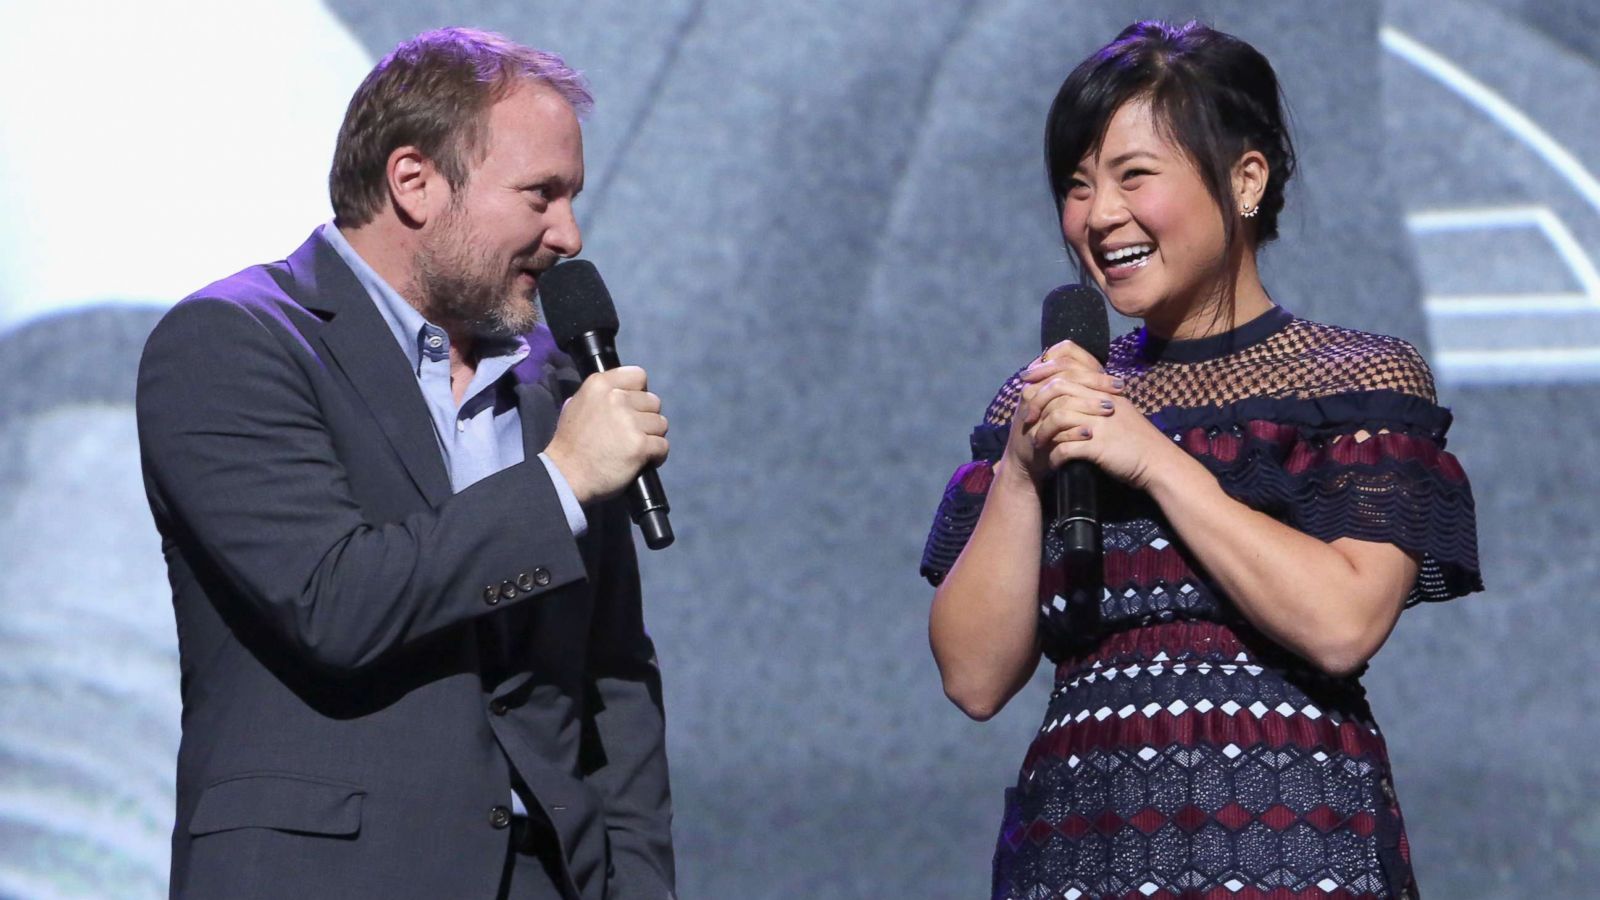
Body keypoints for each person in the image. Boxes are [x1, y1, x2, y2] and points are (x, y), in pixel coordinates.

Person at [922, 20, 1481, 900]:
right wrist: (1027, 469)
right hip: (1085, 846)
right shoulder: (1051, 401)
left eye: (1133, 176)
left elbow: (1343, 623)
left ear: (1245, 179)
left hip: (1294, 846)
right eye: (1077, 186)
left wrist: (1155, 461)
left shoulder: (1356, 380)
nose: (1099, 216)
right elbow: (974, 677)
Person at [136, 28, 675, 900]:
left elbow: (612, 675)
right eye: (541, 195)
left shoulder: (557, 382)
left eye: (572, 197)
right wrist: (560, 482)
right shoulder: (233, 345)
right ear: (414, 182)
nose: (569, 234)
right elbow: (332, 602)